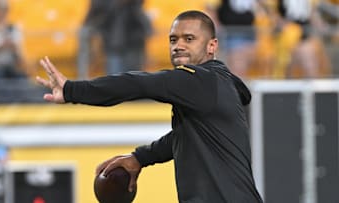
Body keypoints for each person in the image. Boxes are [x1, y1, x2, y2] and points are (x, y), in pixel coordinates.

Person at [36, 10, 263, 202]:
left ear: (212, 46)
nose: (179, 45)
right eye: (173, 40)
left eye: (189, 39)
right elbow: (183, 136)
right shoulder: (217, 85)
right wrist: (140, 158)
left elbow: (137, 84)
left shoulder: (200, 81)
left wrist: (71, 90)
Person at [77, 0, 152, 78]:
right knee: (115, 79)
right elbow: (96, 13)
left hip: (133, 44)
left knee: (134, 79)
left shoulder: (134, 7)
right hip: (113, 44)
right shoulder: (106, 6)